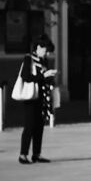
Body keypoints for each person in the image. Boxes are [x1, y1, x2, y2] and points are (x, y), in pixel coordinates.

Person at [17, 36, 57, 165]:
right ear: (38, 48)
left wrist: (50, 76)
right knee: (29, 125)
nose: (47, 54)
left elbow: (42, 77)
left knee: (39, 126)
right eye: (46, 50)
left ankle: (36, 154)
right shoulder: (29, 59)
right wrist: (42, 75)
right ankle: (23, 155)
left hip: (42, 97)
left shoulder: (42, 60)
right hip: (31, 97)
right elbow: (26, 76)